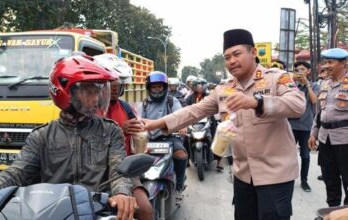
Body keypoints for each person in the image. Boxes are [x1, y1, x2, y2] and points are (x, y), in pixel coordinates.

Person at [142, 29, 306, 220]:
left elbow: (298, 104)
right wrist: (157, 123)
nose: (231, 61)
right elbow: (195, 111)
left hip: (275, 175)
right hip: (243, 175)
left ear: (253, 53)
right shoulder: (223, 88)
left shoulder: (276, 77)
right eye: (227, 57)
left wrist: (257, 102)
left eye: (237, 54)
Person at [0, 55, 137, 220]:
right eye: (88, 92)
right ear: (66, 94)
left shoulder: (110, 130)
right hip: (52, 213)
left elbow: (118, 171)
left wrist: (121, 193)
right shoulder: (42, 136)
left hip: (98, 212)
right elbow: (17, 172)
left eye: (98, 92)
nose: (96, 99)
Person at [93, 54, 153, 220]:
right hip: (91, 169)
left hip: (123, 170)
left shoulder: (126, 108)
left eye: (117, 84)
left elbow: (137, 136)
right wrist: (121, 130)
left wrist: (140, 141)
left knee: (145, 209)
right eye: (109, 83)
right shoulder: (88, 109)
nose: (113, 88)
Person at [308, 48, 348, 207]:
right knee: (329, 178)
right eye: (326, 62)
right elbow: (319, 112)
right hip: (326, 139)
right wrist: (313, 133)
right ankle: (332, 209)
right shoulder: (324, 84)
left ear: (343, 63)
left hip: (345, 140)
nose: (327, 66)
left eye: (330, 62)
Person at [140, 71, 188, 200]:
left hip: (170, 137)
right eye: (154, 87)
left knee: (181, 154)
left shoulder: (172, 101)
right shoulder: (144, 104)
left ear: (165, 87)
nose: (157, 90)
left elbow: (180, 116)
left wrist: (183, 126)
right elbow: (138, 120)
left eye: (159, 87)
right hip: (150, 139)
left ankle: (179, 186)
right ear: (149, 88)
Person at [288, 61, 319, 192]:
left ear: (308, 71)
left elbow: (314, 101)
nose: (299, 72)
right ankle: (288, 180)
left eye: (302, 69)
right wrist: (292, 81)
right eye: (297, 70)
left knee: (305, 155)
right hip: (291, 125)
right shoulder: (291, 85)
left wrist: (307, 84)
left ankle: (304, 181)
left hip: (306, 126)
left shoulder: (314, 85)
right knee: (288, 155)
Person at [186, 77, 223, 171]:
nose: (200, 88)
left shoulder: (210, 96)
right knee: (185, 138)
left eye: (202, 85)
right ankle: (186, 159)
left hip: (209, 119)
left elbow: (218, 105)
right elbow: (184, 109)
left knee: (216, 136)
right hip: (193, 121)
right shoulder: (189, 98)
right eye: (197, 86)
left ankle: (219, 160)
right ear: (193, 87)